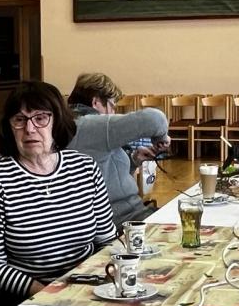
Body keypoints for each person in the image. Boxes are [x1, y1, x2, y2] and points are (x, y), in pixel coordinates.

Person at [0, 82, 115, 306]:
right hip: (20, 299)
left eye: (40, 118)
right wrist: (45, 292)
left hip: (82, 288)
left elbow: (106, 240)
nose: (29, 129)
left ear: (57, 121)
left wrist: (95, 281)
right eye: (19, 120)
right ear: (9, 127)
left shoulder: (85, 168)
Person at [66, 72, 170, 226]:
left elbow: (104, 178)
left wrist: (134, 160)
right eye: (112, 106)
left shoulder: (69, 124)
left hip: (112, 217)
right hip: (125, 219)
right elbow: (156, 119)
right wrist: (161, 137)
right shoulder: (90, 124)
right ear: (95, 102)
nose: (114, 113)